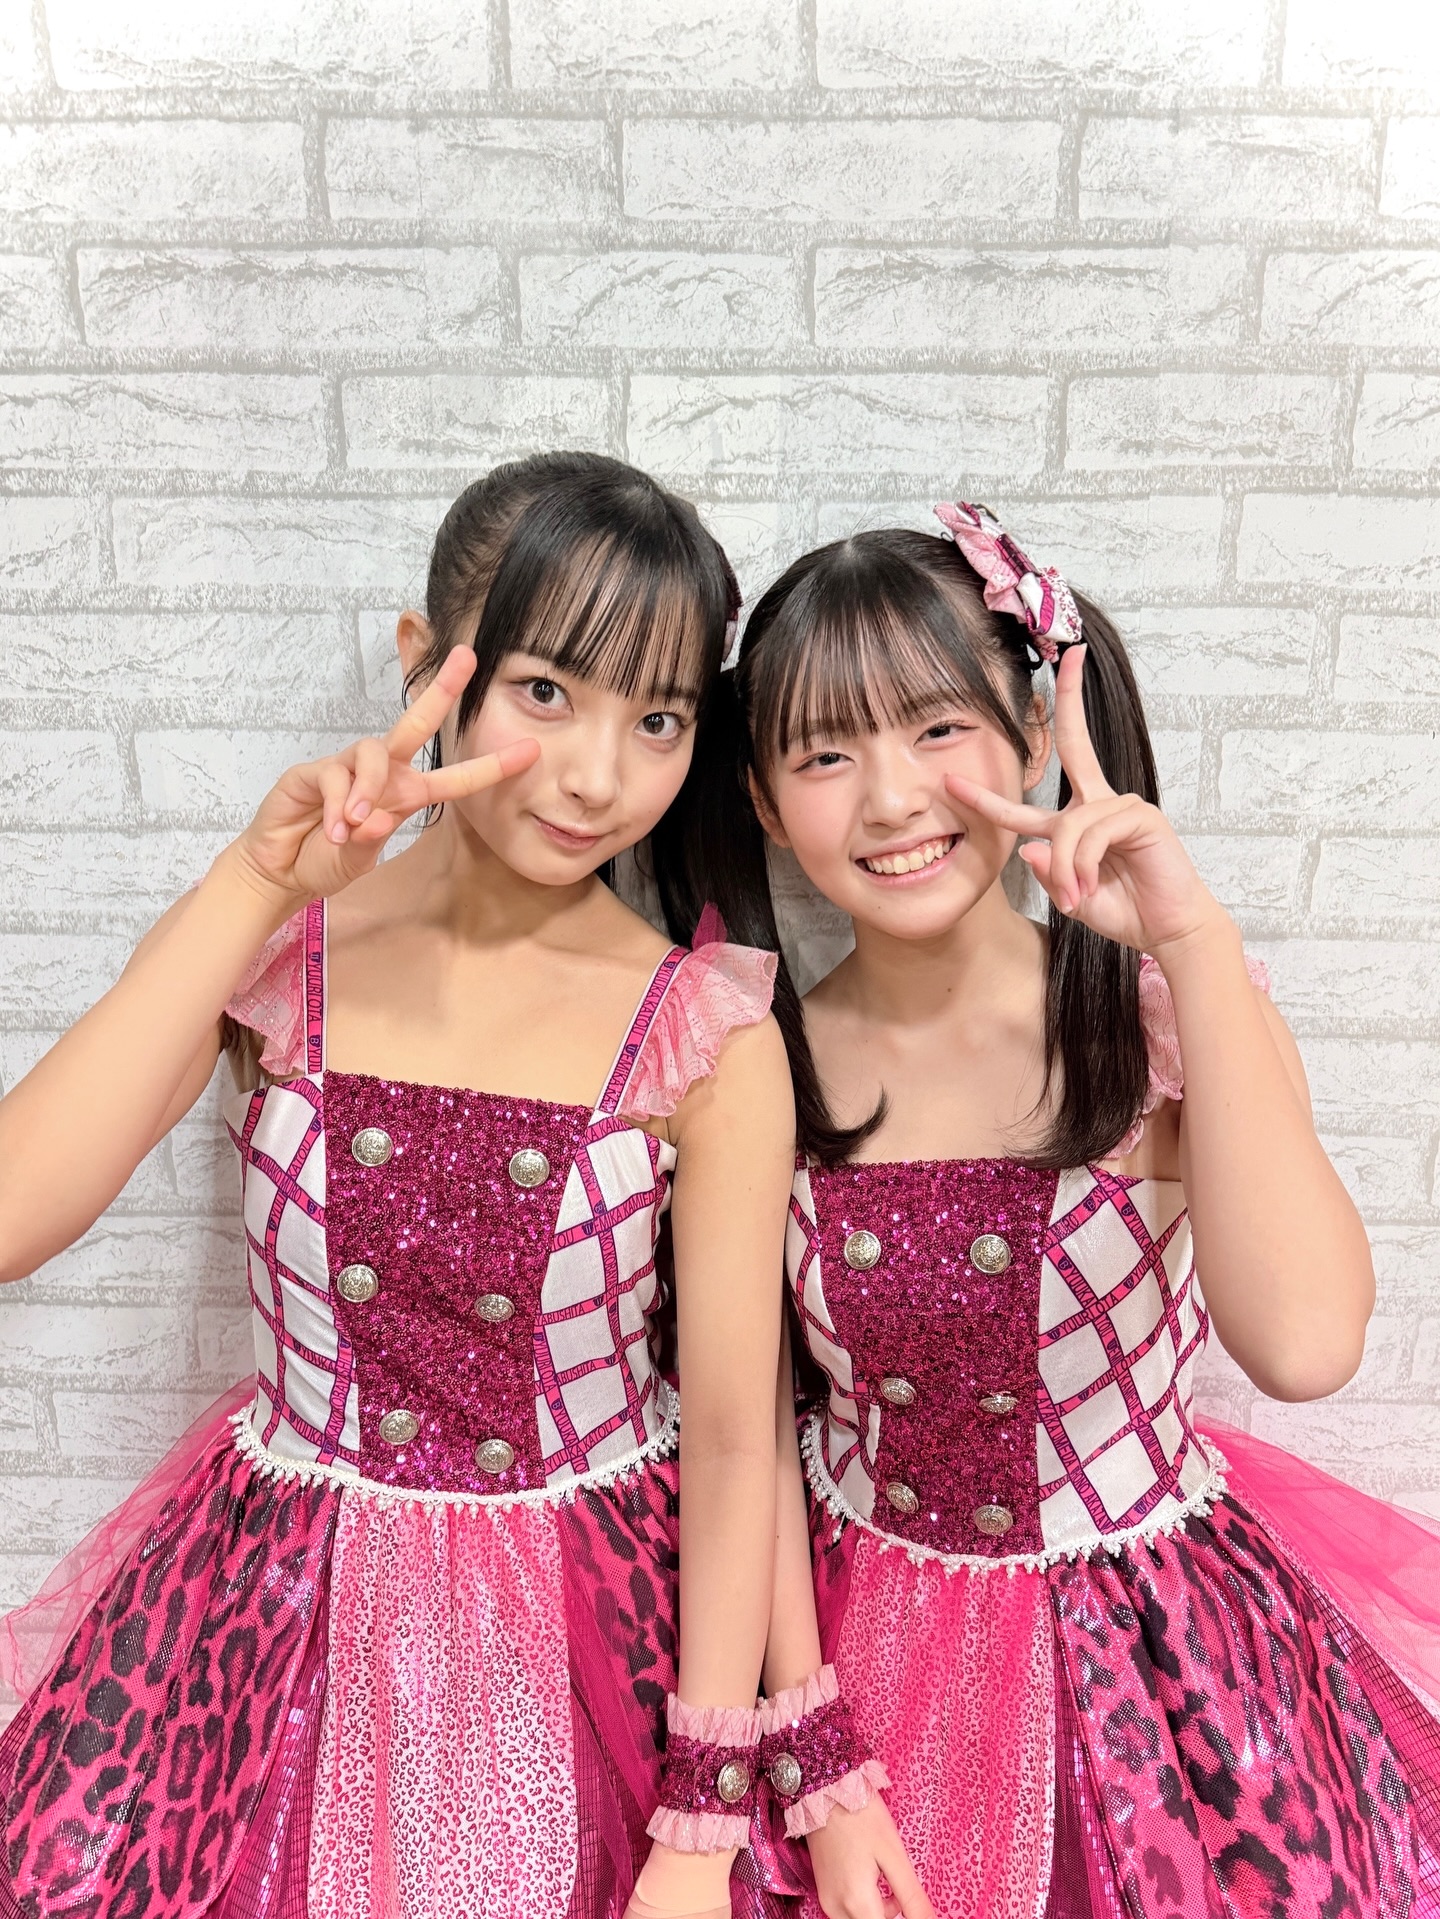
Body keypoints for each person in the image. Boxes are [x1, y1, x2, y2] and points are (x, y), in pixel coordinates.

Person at [0, 452, 799, 1919]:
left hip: (588, 1644)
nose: (598, 775)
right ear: (426, 663)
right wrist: (257, 880)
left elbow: (742, 1440)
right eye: (546, 691)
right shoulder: (281, 954)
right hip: (273, 1626)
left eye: (658, 719)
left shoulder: (704, 1034)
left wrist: (699, 1823)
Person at [680, 501, 1440, 1918]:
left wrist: (1192, 937)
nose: (892, 799)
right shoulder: (752, 1062)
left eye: (937, 727)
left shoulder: (1159, 1017)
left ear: (1034, 730)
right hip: (850, 1655)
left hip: (1160, 1655)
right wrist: (815, 1755)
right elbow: (749, 1437)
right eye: (826, 754)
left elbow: (1305, 1345)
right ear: (766, 804)